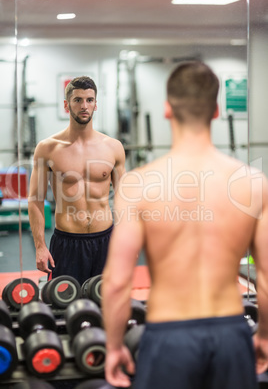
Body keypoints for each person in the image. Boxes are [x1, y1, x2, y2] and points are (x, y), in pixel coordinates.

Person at [102, 61, 268, 389]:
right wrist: (263, 334)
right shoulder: (252, 183)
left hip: (168, 337)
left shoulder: (139, 185)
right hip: (231, 334)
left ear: (166, 109)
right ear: (216, 111)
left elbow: (118, 281)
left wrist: (113, 346)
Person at [28, 76, 125, 285]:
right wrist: (40, 246)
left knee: (108, 308)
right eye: (78, 100)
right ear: (66, 104)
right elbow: (35, 200)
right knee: (64, 308)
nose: (84, 106)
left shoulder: (113, 147)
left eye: (90, 100)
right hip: (67, 243)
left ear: (96, 104)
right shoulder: (48, 148)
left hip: (106, 240)